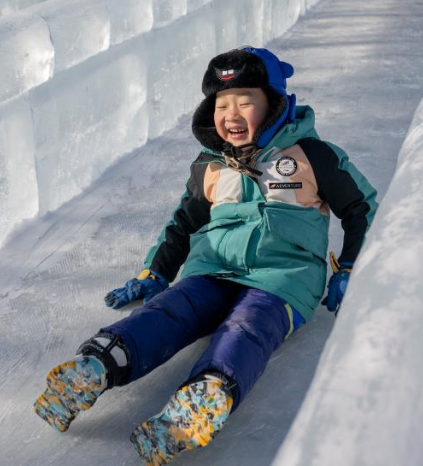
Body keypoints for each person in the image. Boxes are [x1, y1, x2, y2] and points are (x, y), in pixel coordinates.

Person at [33, 46, 378, 465]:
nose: (231, 115)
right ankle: (98, 365)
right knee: (169, 311)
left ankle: (204, 398)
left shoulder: (310, 156)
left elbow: (362, 208)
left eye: (245, 102)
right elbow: (184, 222)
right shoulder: (211, 165)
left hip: (283, 280)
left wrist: (352, 265)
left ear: (273, 103)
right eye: (221, 104)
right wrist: (155, 272)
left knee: (248, 328)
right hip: (213, 270)